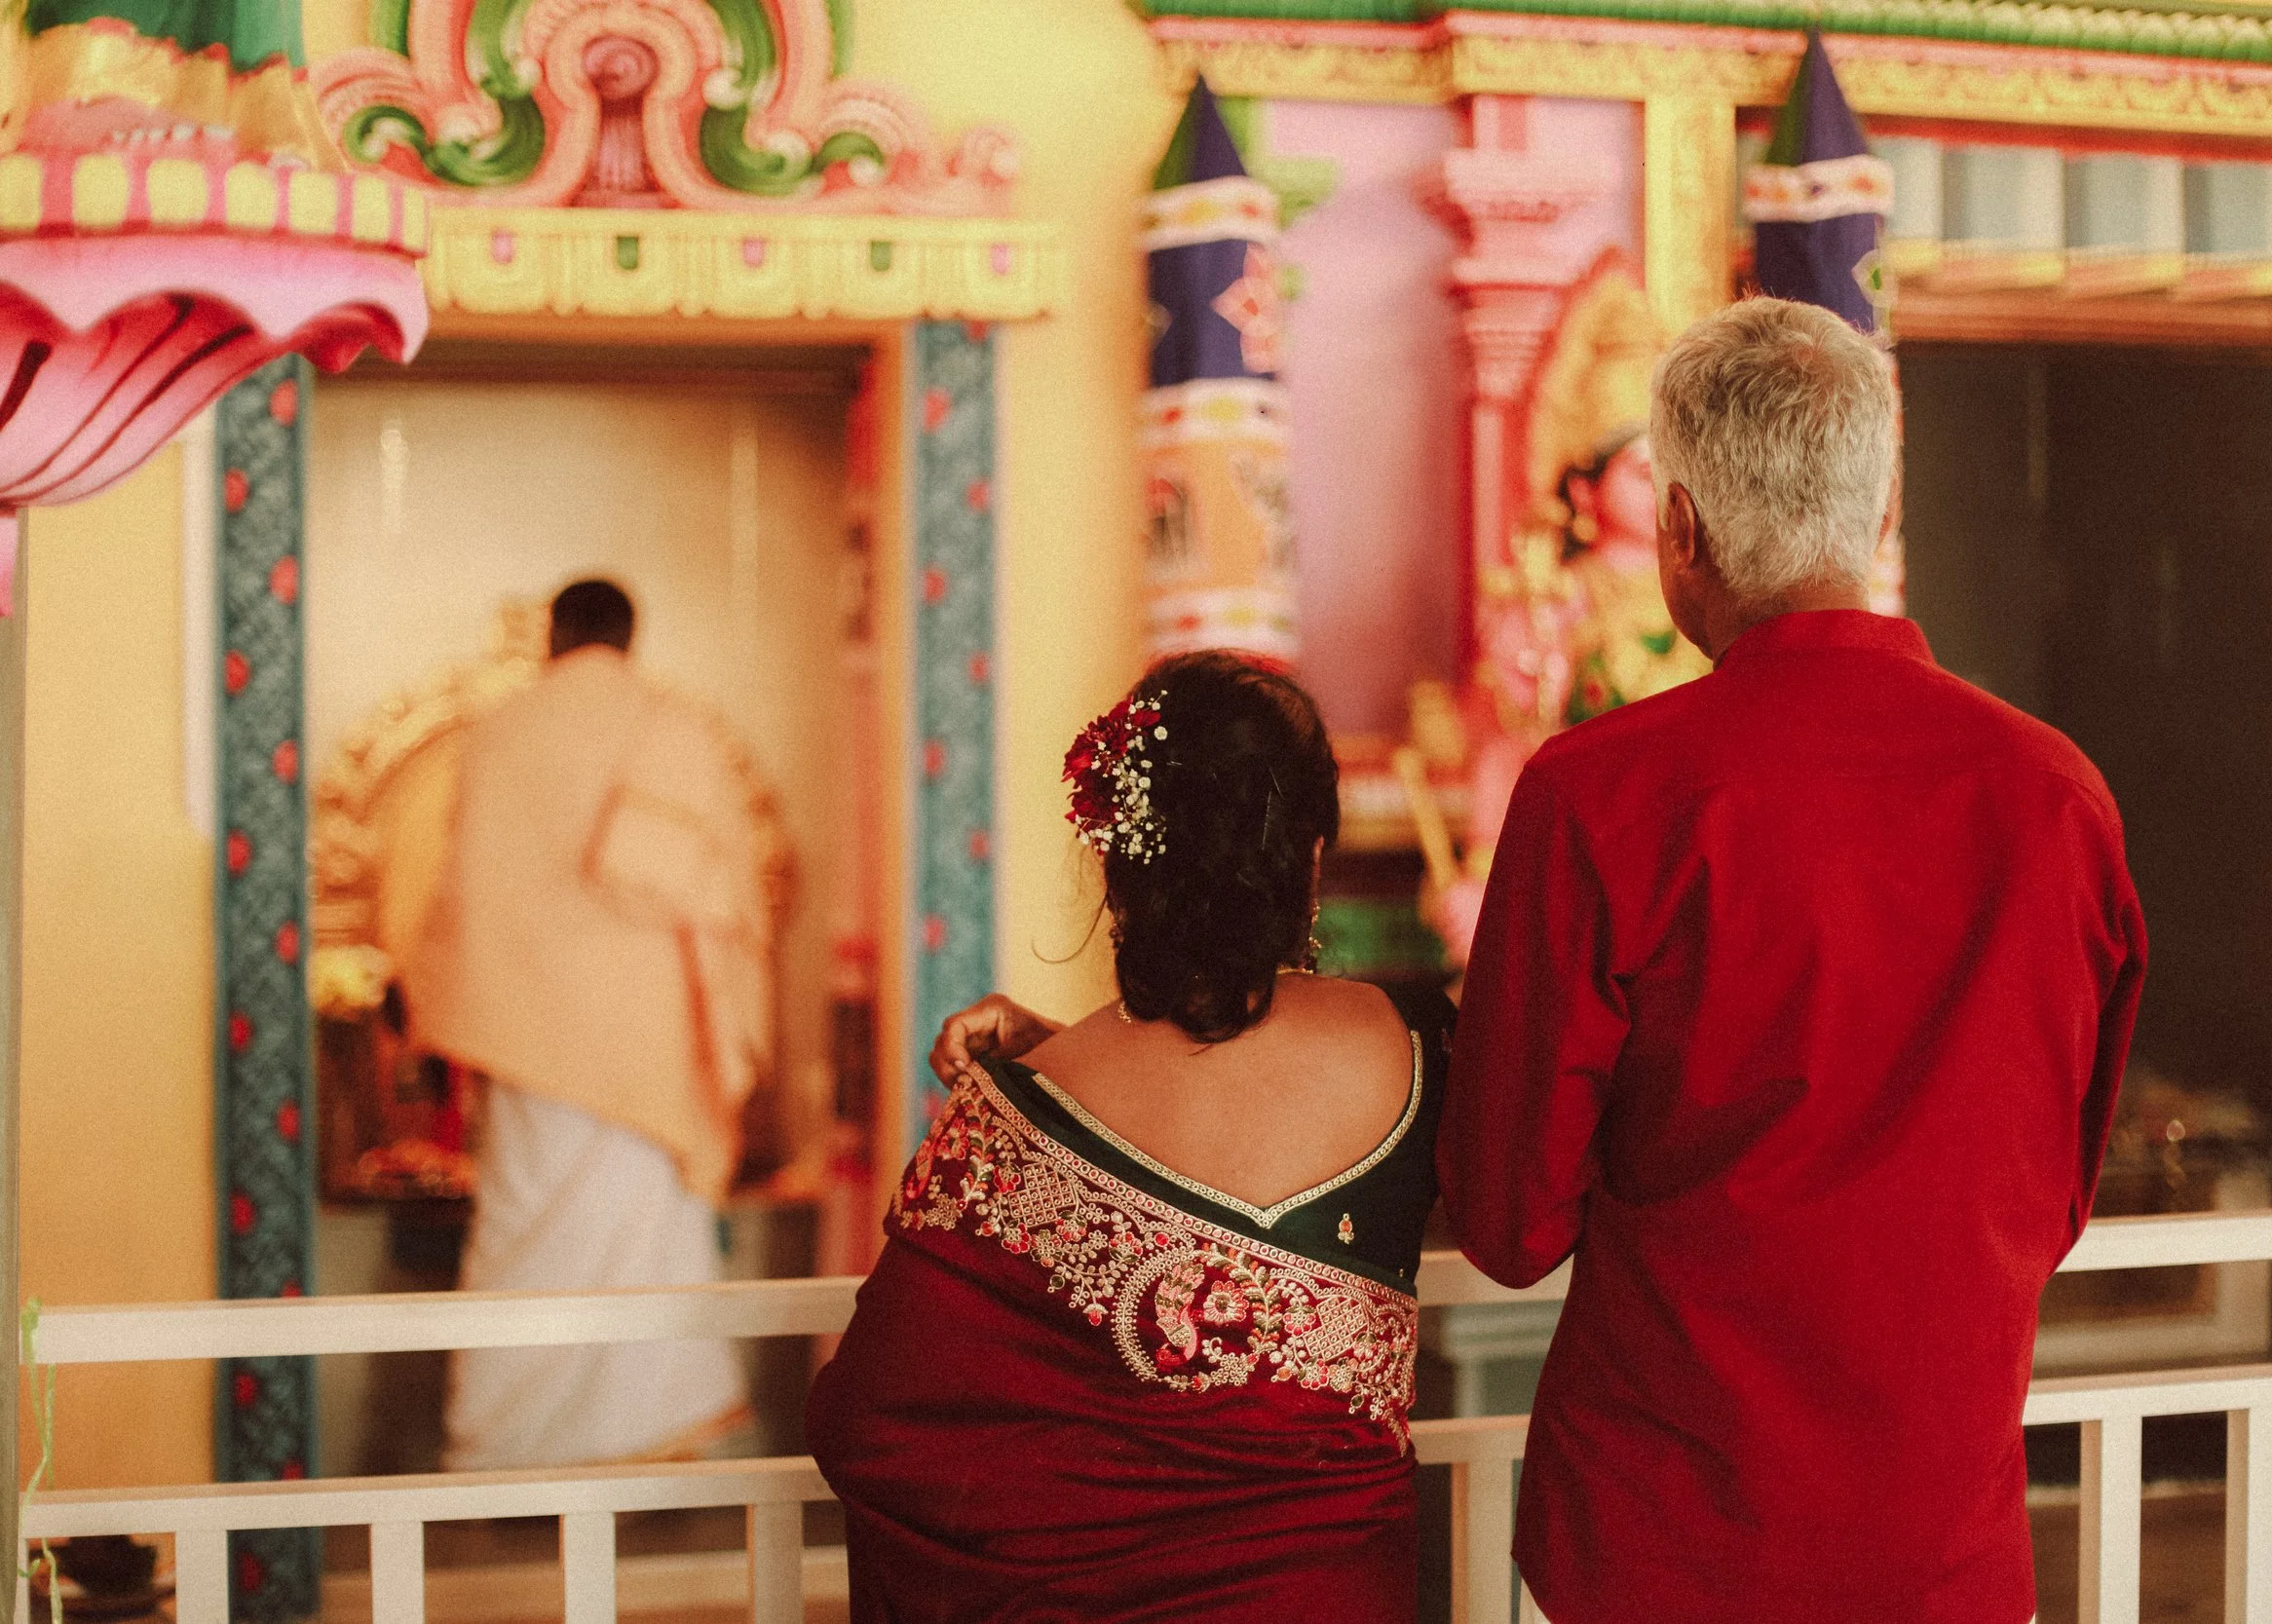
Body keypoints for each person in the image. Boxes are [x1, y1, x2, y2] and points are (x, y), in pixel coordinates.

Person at [1443, 297, 2147, 1622]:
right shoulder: (2055, 798)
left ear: (1679, 528)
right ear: (1883, 520)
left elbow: (1505, 1220)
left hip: (1663, 1549)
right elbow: (2054, 1194)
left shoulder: (1602, 793)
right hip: (1943, 1547)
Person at [809, 651, 1452, 1623]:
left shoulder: (1007, 1113)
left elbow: (873, 1414)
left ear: (1116, 861)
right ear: (1309, 856)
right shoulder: (1410, 1049)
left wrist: (1057, 1059)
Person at [401, 578, 776, 1469]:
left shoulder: (496, 732)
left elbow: (458, 895)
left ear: (555, 638)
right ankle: (646, 1450)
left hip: (522, 1033)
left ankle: (499, 1448)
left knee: (520, 1232)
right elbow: (727, 899)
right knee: (647, 1235)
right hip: (647, 1048)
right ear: (628, 637)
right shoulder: (675, 725)